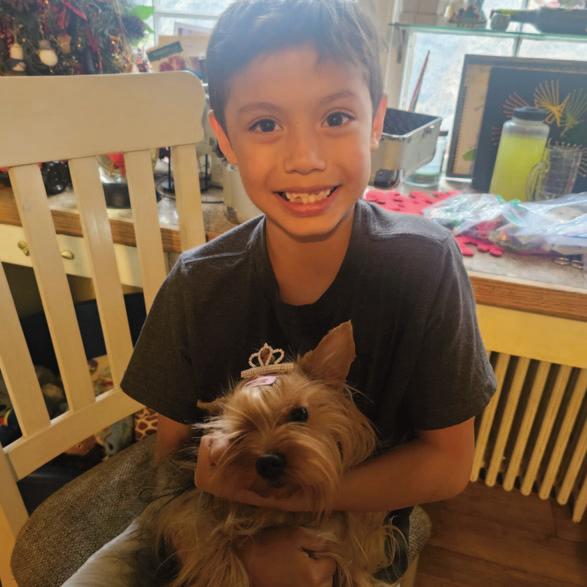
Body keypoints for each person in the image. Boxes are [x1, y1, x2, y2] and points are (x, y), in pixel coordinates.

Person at [120, 0, 496, 585]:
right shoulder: (197, 284)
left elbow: (447, 466)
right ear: (225, 139)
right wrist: (244, 553)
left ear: (377, 121)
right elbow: (172, 464)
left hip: (357, 522)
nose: (305, 159)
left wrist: (295, 500)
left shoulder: (424, 268)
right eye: (265, 125)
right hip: (217, 532)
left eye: (336, 117)